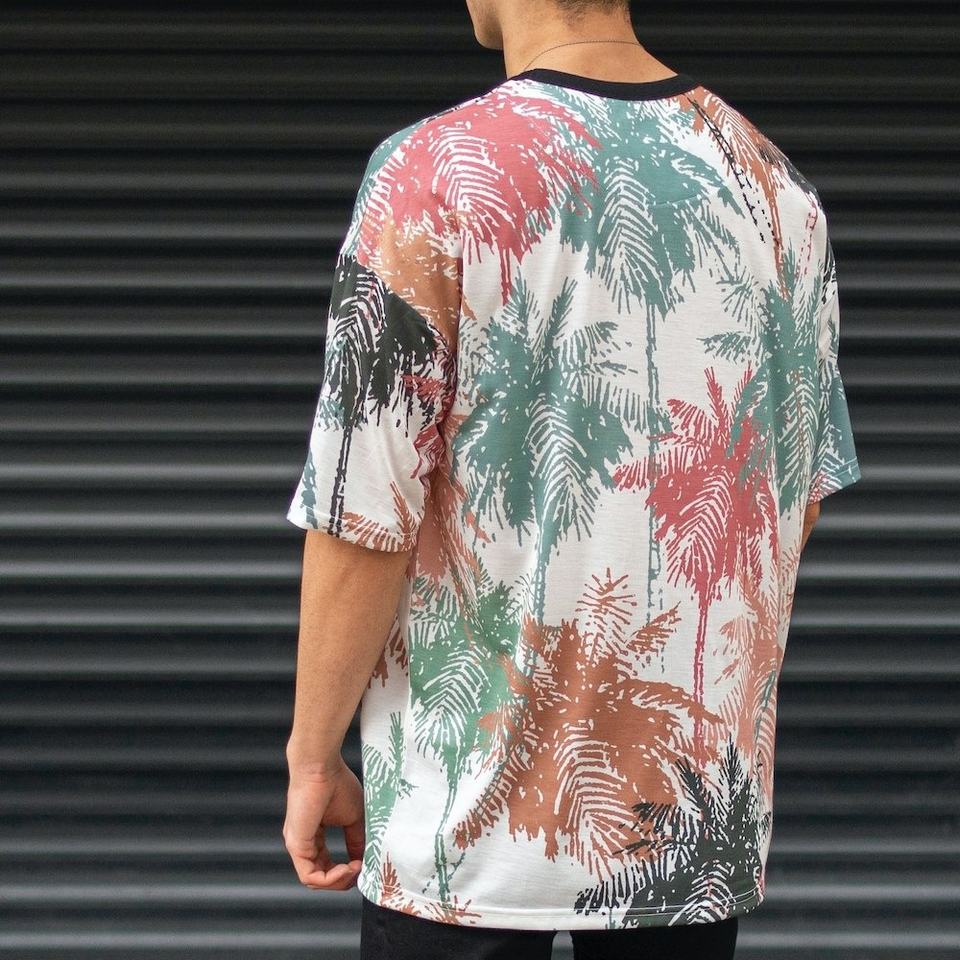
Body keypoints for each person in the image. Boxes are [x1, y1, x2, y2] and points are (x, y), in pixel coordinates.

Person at [281, 0, 862, 957]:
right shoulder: (775, 187)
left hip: (458, 832)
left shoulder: (432, 173)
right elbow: (790, 495)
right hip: (686, 833)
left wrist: (313, 754)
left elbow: (364, 508)